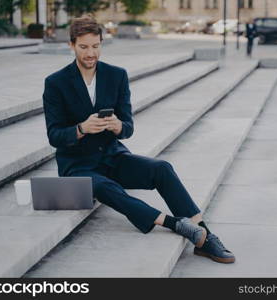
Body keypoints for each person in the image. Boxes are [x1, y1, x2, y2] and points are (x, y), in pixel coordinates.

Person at [42, 15, 235, 264]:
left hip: (113, 157)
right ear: (71, 45)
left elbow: (128, 128)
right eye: (84, 47)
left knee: (162, 168)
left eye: (96, 46)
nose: (91, 53)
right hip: (77, 166)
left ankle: (205, 236)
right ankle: (174, 224)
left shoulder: (116, 75)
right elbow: (54, 135)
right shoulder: (55, 83)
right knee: (103, 187)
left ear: (101, 43)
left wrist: (117, 126)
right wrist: (81, 128)